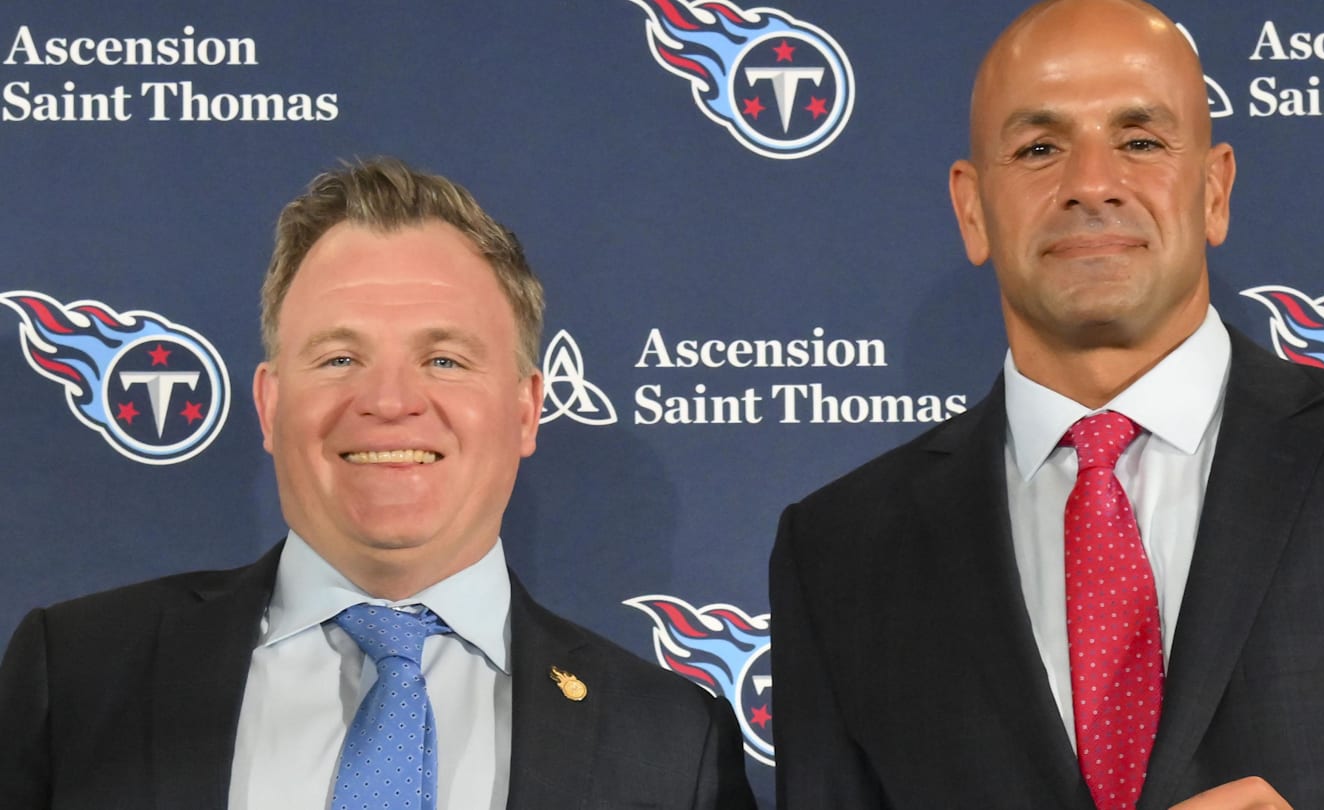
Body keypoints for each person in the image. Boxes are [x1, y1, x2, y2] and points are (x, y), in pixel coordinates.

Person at [769, 1, 1324, 808]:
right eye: (1039, 147)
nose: (1091, 183)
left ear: (1215, 190)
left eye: (1141, 141)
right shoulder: (840, 552)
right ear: (973, 209)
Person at [0, 157, 757, 810]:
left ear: (527, 410)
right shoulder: (75, 675)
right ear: (268, 406)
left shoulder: (671, 742)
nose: (390, 402)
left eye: (446, 360)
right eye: (338, 359)